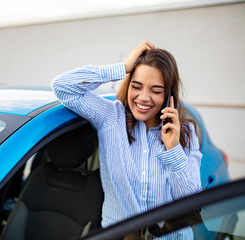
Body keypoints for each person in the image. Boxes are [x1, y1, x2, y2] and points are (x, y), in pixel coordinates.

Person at [51, 41, 202, 239]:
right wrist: (122, 67)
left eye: (155, 91)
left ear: (168, 95)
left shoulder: (185, 132)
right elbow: (62, 87)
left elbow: (192, 203)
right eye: (136, 86)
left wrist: (173, 148)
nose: (143, 98)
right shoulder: (111, 117)